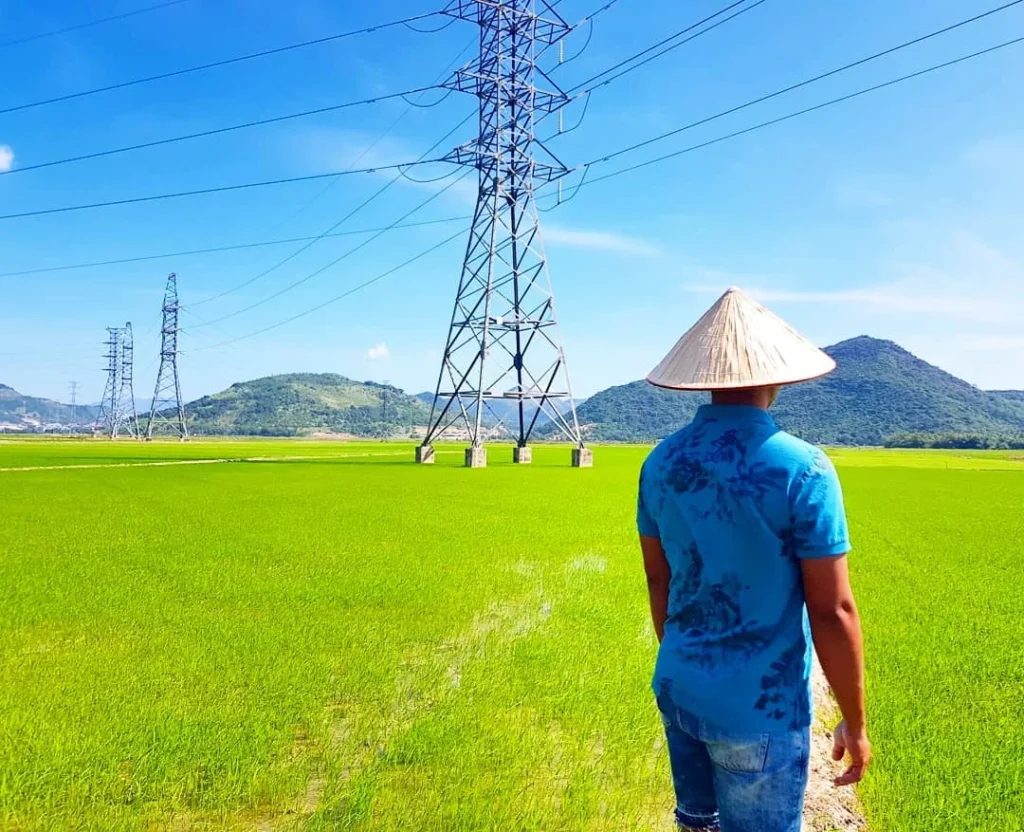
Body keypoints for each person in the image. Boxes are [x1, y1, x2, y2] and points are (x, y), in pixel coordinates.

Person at [637, 287, 869, 832]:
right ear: (778, 376)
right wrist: (854, 724)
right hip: (758, 710)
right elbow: (832, 610)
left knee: (697, 824)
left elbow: (657, 579)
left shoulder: (659, 463)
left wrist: (687, 663)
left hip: (679, 687)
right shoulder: (803, 469)